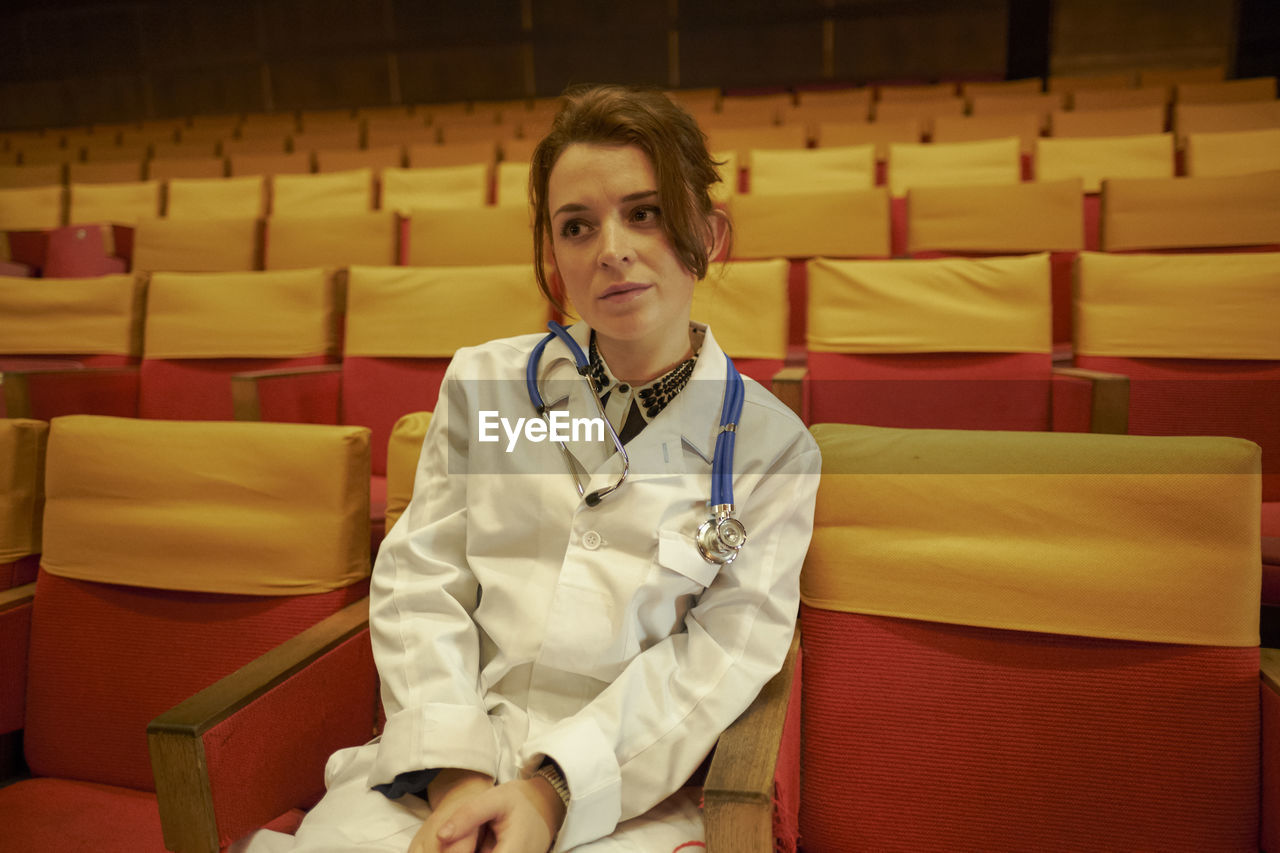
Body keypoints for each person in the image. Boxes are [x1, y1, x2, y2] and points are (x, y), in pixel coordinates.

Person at [234, 83, 821, 853]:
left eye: (643, 212)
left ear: (709, 235)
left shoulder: (771, 450)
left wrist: (550, 791)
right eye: (577, 226)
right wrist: (457, 778)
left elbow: (724, 653)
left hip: (622, 793)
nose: (610, 247)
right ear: (554, 257)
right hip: (452, 754)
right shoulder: (489, 385)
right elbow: (420, 581)